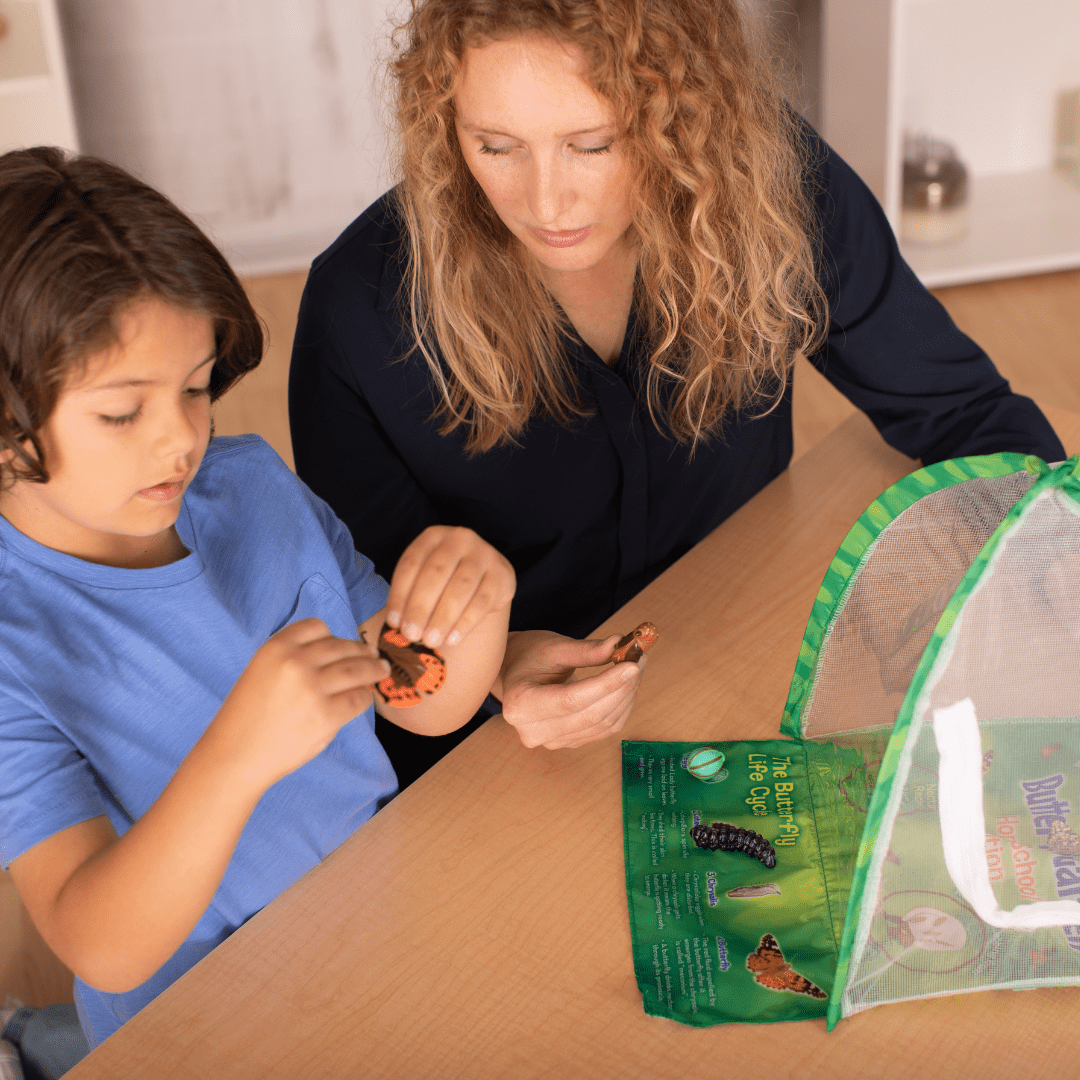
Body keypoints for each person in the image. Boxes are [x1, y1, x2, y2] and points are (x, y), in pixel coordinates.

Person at [288, 0, 1064, 784]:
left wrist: (1046, 585)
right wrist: (501, 663)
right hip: (501, 756)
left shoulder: (775, 184)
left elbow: (963, 410)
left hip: (744, 658)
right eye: (494, 146)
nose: (546, 203)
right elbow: (370, 613)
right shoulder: (360, 308)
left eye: (592, 144)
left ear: (682, 112)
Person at [0, 146, 537, 1049]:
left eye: (197, 386)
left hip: (380, 928)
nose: (180, 439)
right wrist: (235, 757)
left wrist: (474, 607)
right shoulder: (16, 641)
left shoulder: (251, 488)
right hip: (205, 1024)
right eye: (123, 412)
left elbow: (424, 699)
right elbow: (100, 944)